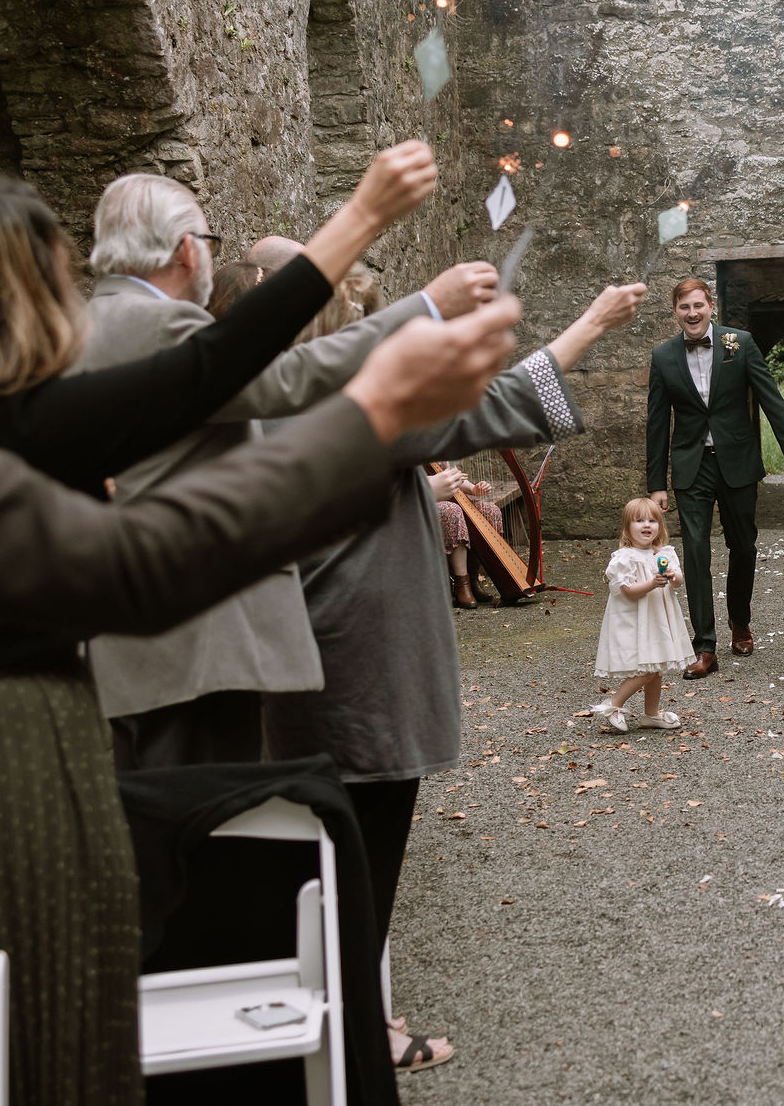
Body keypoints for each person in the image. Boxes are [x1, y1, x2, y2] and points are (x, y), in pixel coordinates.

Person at [0, 17, 522, 1106]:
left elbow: (199, 372)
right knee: (51, 1039)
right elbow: (135, 557)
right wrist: (372, 411)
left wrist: (355, 234)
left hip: (10, 754)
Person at [264, 272, 642, 1071]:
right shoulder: (351, 402)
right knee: (359, 860)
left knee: (317, 858)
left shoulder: (261, 398)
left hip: (302, 656)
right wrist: (592, 321)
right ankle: (365, 1035)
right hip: (361, 665)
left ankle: (349, 1014)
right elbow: (495, 405)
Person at [75, 167, 499, 767]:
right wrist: (425, 308)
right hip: (192, 633)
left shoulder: (85, 323)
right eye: (209, 243)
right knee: (198, 813)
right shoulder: (161, 324)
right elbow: (288, 378)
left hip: (135, 620)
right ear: (183, 249)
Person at [645, 277, 784, 679]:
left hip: (737, 461)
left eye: (699, 305)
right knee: (696, 551)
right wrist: (656, 484)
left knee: (744, 545)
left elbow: (772, 400)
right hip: (691, 465)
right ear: (675, 311)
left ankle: (740, 621)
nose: (692, 313)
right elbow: (656, 422)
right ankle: (705, 646)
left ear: (711, 306)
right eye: (684, 307)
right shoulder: (663, 356)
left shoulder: (740, 343)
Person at [592, 497, 693, 731]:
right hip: (635, 620)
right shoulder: (625, 558)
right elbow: (627, 591)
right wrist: (652, 584)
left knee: (656, 668)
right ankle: (614, 704)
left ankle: (651, 714)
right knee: (647, 668)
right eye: (639, 521)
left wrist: (672, 575)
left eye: (652, 520)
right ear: (627, 528)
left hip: (658, 620)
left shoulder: (664, 553)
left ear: (660, 526)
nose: (647, 525)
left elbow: (678, 582)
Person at [433, 464, 504, 608]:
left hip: (448, 499)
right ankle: (461, 584)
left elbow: (452, 476)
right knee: (452, 511)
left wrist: (473, 488)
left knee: (490, 511)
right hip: (417, 501)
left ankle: (473, 579)